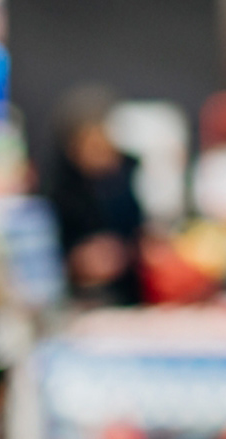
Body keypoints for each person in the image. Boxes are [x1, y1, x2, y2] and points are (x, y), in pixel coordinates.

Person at [45, 85, 146, 306]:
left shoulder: (131, 178)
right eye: (91, 146)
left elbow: (143, 237)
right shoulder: (57, 192)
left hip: (129, 298)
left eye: (104, 144)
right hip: (76, 301)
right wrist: (76, 263)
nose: (100, 155)